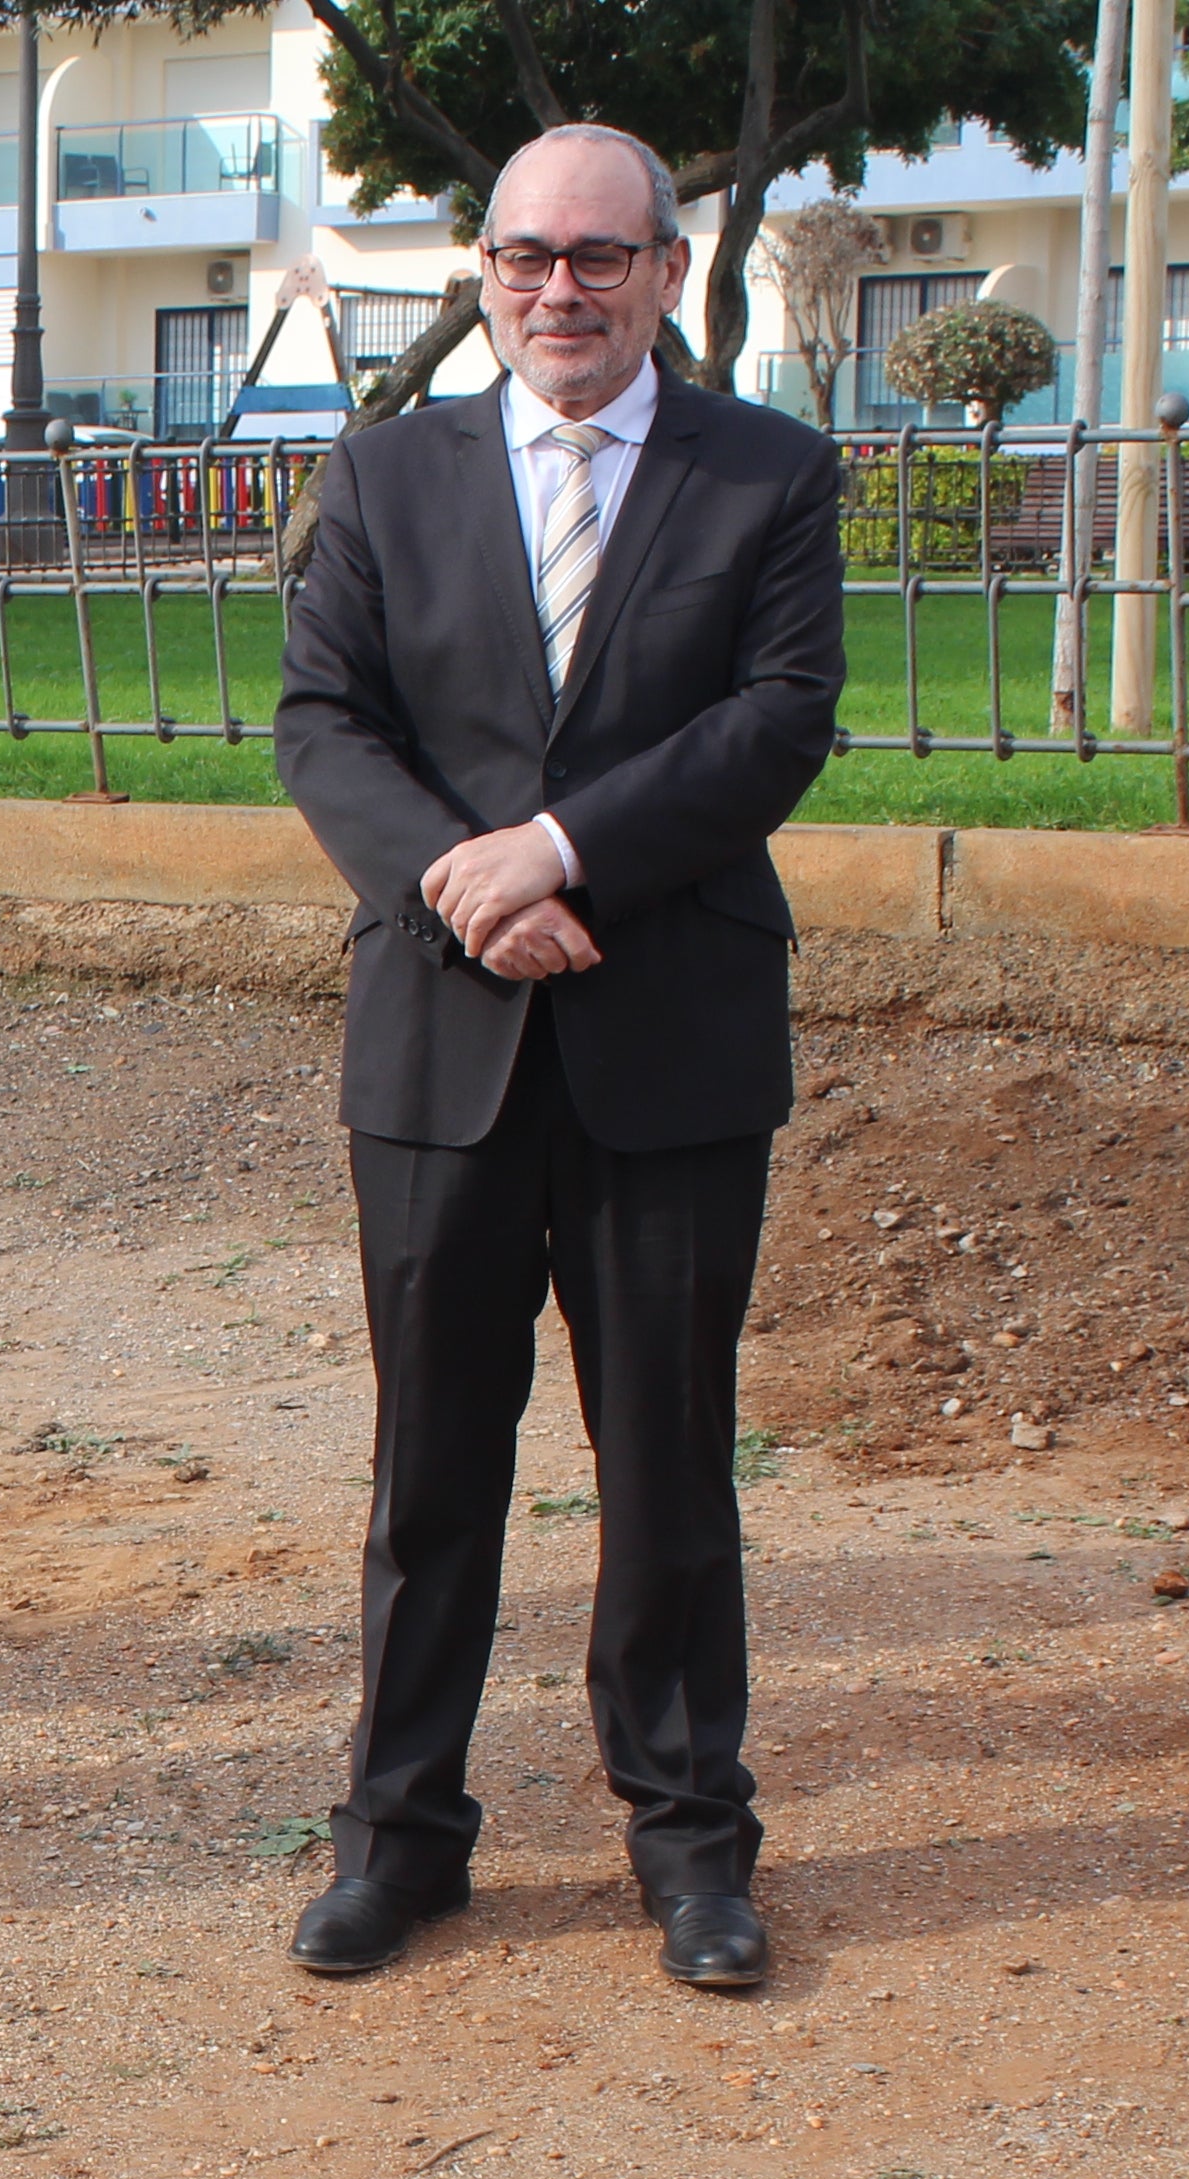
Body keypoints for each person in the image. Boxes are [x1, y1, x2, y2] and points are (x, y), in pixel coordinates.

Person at [266, 126, 845, 1993]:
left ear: (668, 273)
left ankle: (691, 1843)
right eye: (526, 255)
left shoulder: (769, 476)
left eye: (601, 257)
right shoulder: (383, 475)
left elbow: (779, 723)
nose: (559, 291)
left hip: (669, 1047)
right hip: (443, 1046)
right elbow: (323, 723)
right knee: (430, 1465)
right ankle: (400, 1838)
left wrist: (565, 849)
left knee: (668, 1462)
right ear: (484, 269)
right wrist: (471, 879)